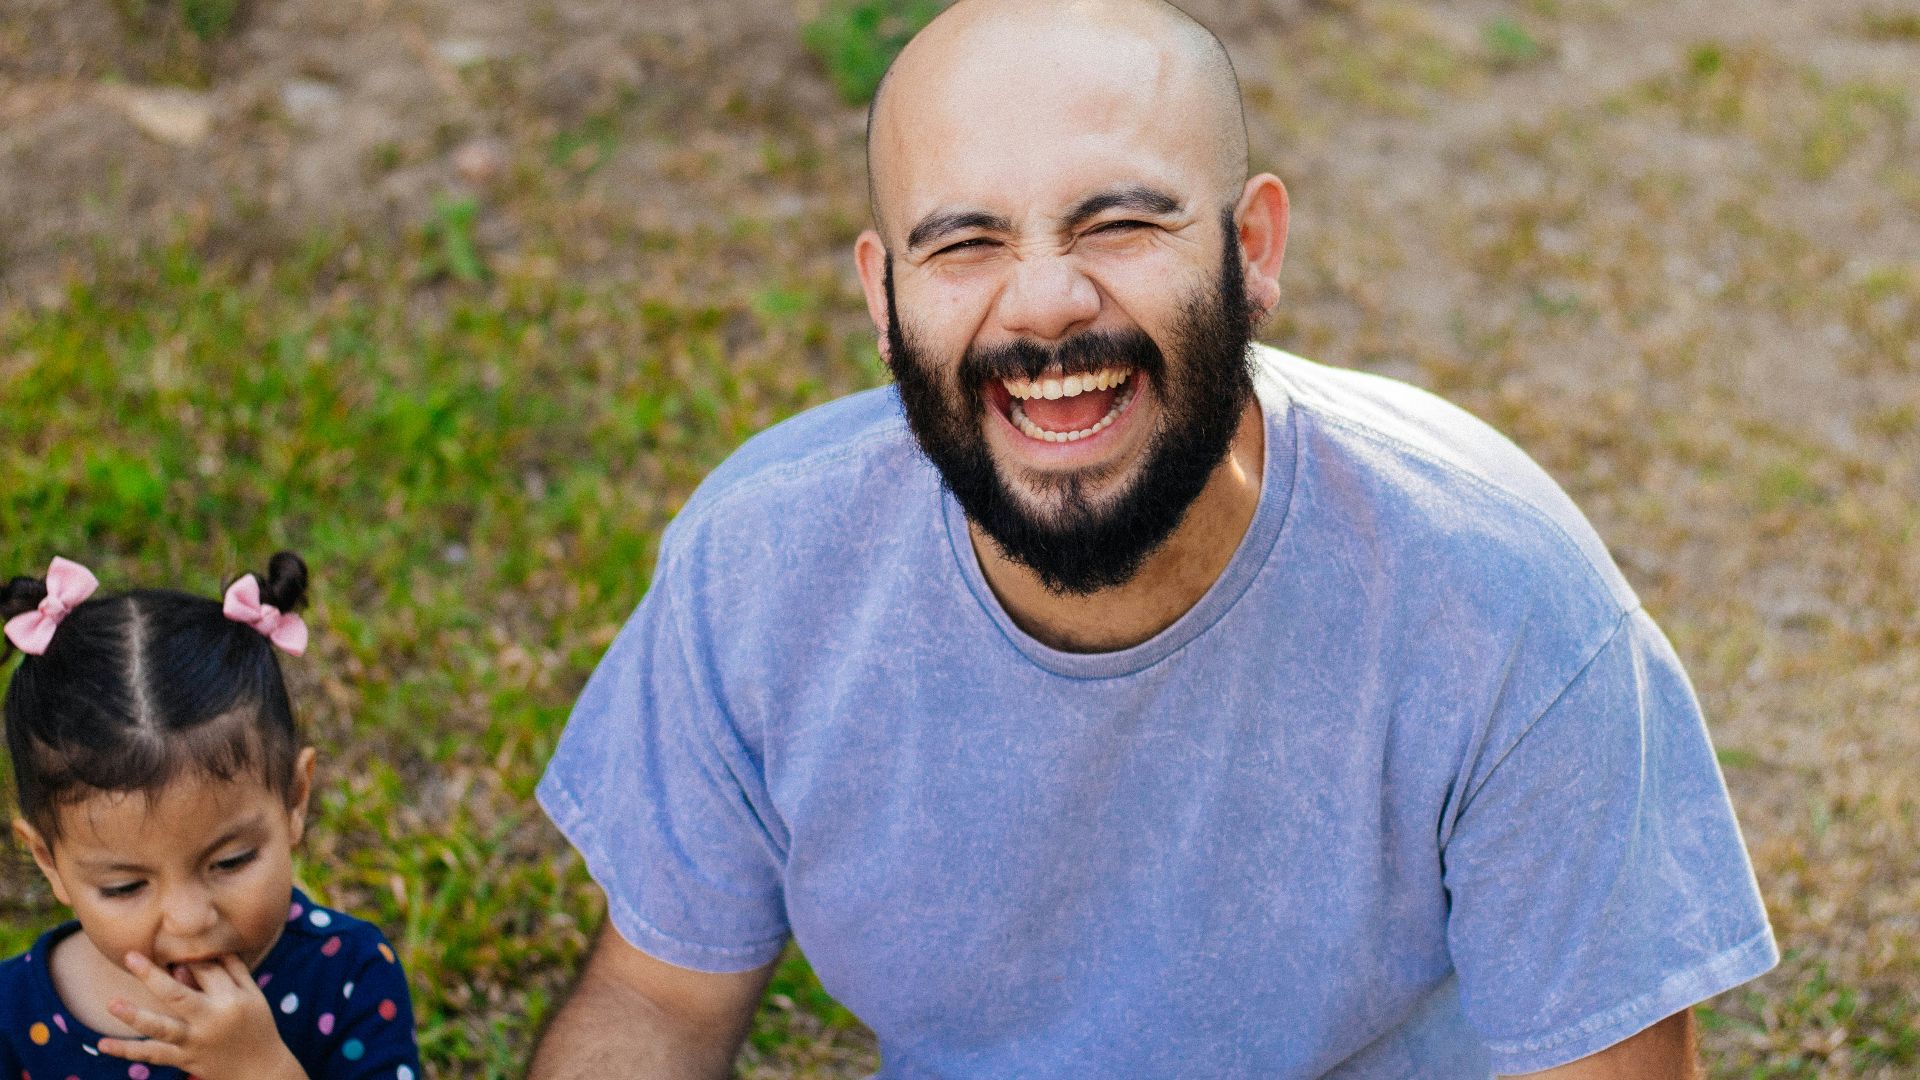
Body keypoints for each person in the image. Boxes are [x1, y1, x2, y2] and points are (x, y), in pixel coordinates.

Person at [530, 1, 1777, 1076]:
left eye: (1118, 225)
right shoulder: (757, 572)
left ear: (1252, 250)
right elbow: (657, 999)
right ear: (883, 293)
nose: (1044, 302)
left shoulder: (1503, 603)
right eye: (964, 243)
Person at [1, 554, 421, 1080]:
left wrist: (263, 1070)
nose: (189, 918)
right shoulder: (13, 1017)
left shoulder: (347, 974)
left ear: (294, 799)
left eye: (230, 861)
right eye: (125, 886)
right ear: (49, 861)